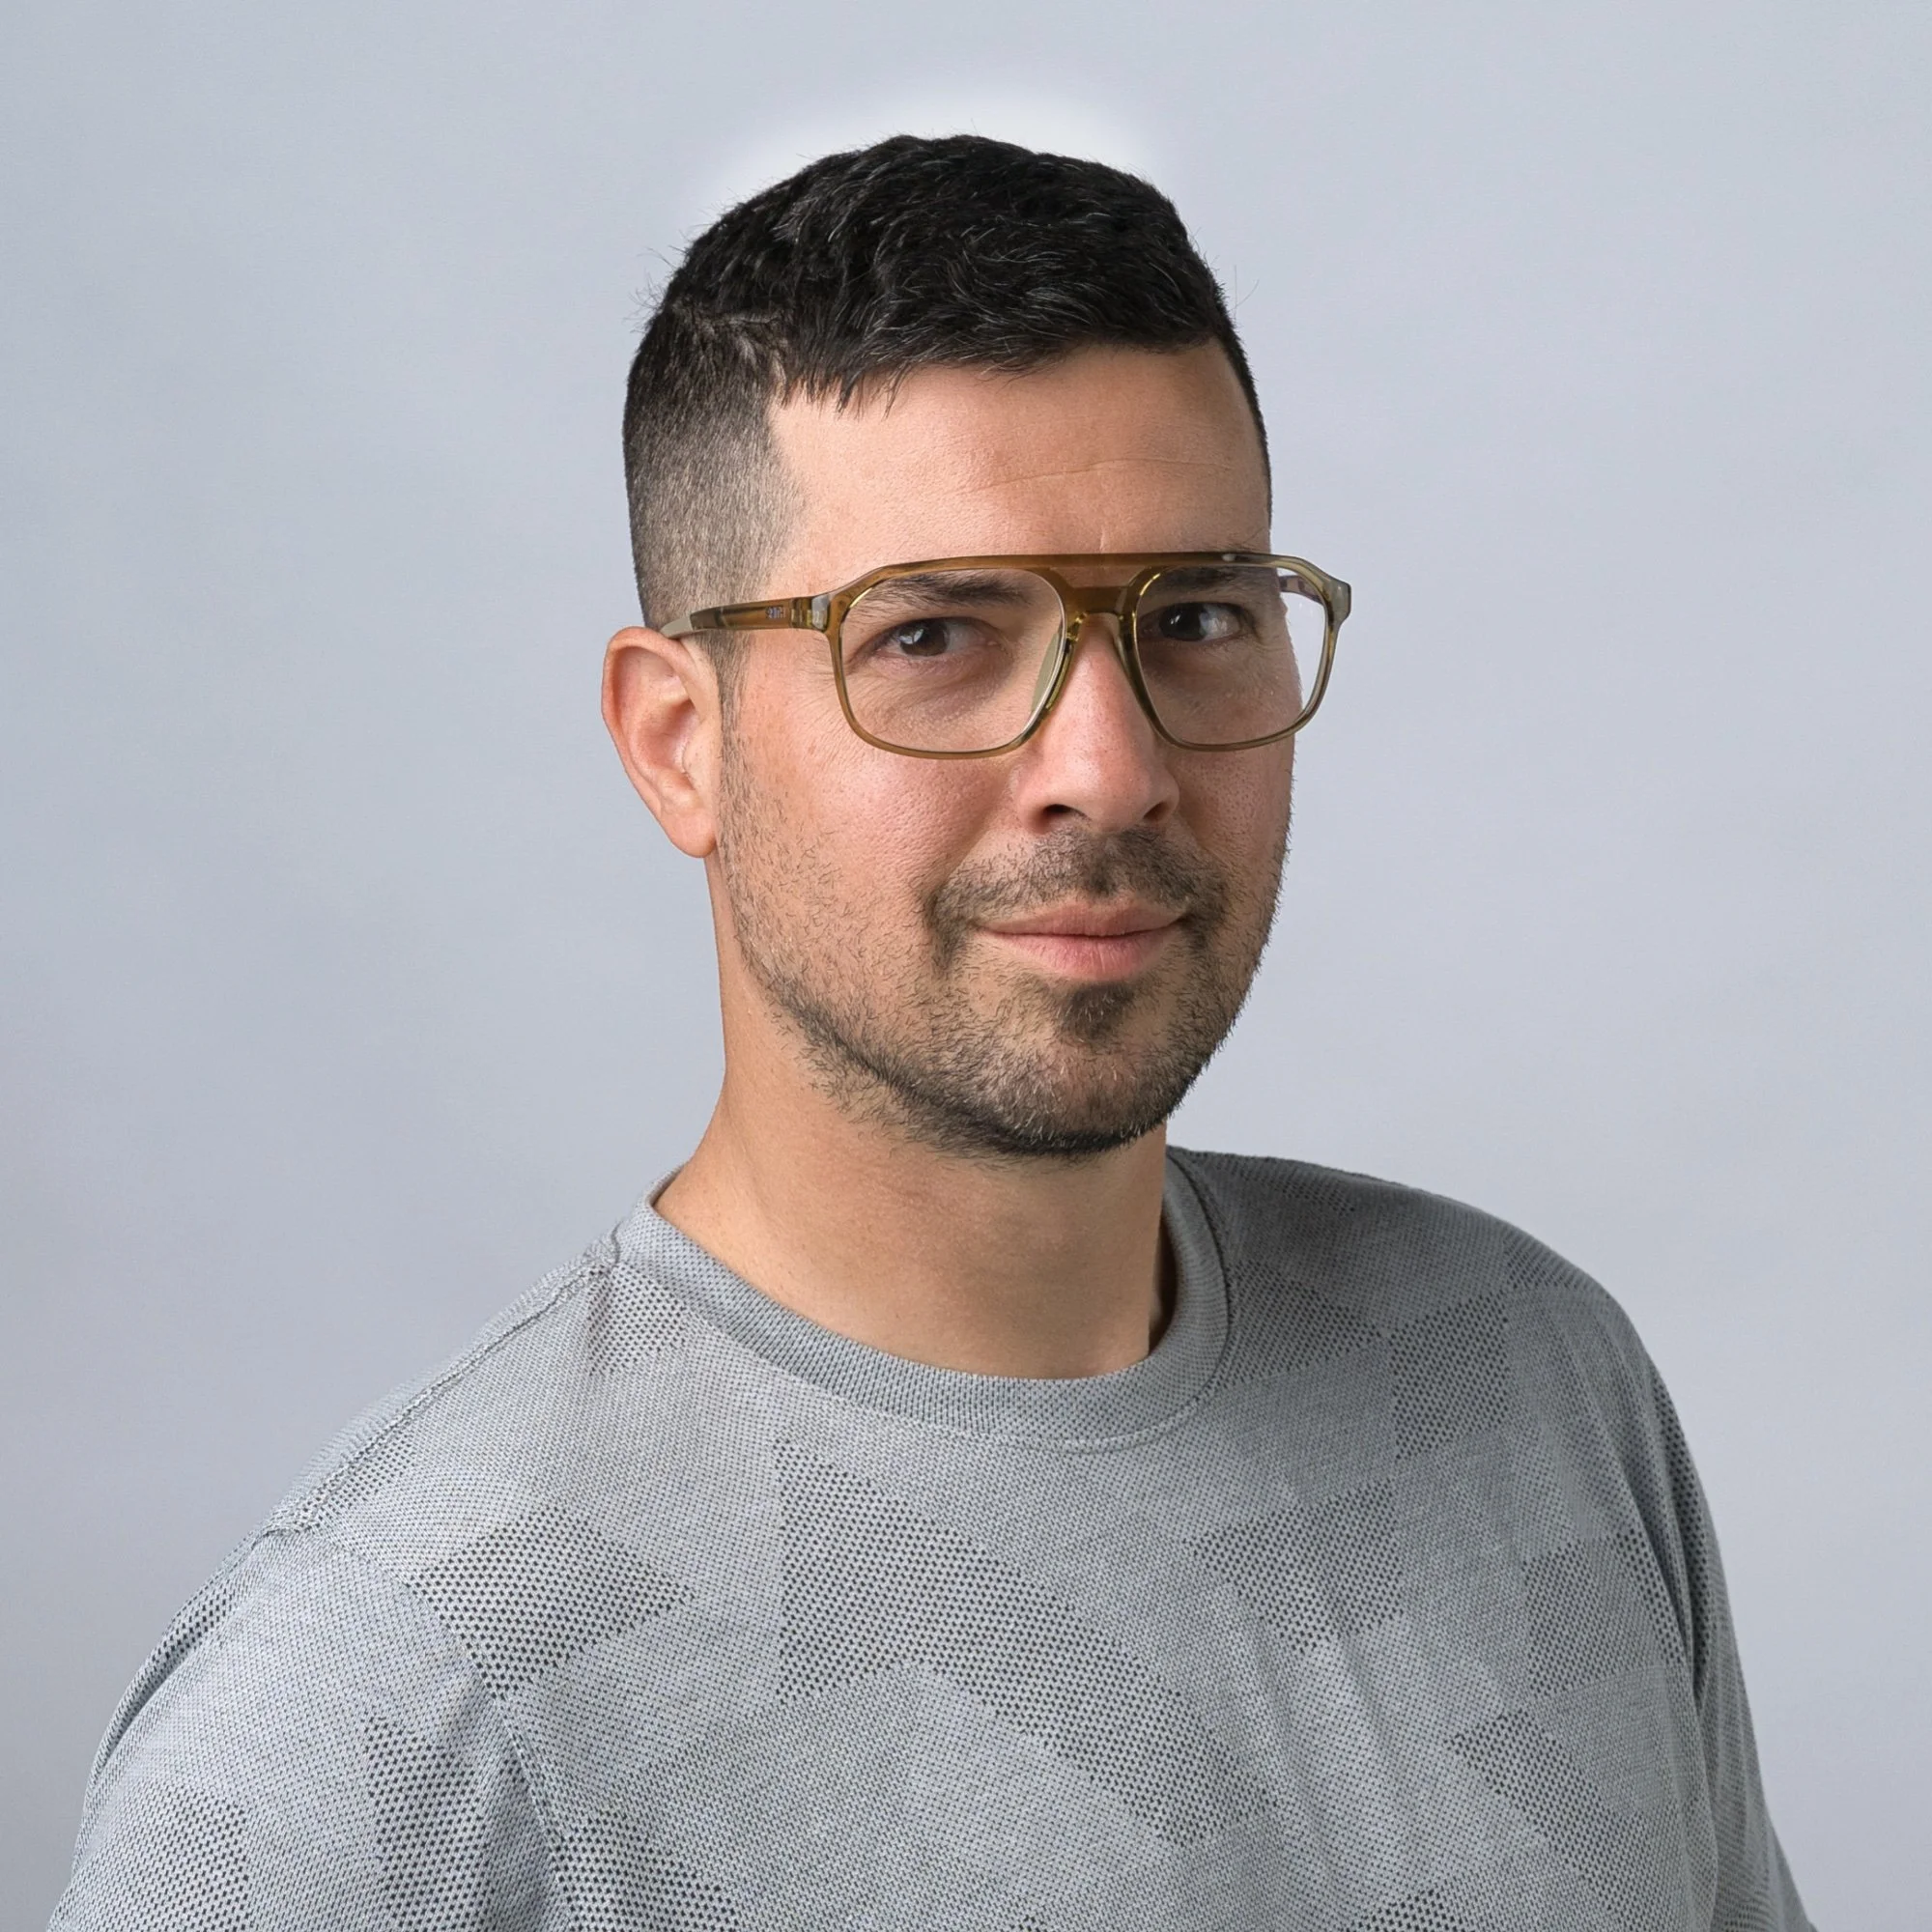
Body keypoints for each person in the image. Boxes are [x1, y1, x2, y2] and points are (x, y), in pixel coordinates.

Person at [52, 134, 1809, 1931]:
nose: (1110, 766)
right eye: (936, 638)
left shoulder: (1523, 1382)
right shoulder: (381, 1720)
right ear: (681, 743)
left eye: (1198, 618)